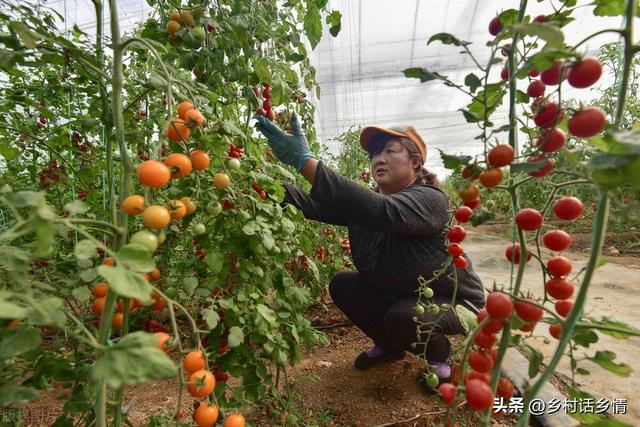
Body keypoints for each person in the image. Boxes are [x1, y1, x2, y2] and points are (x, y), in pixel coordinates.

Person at [254, 113, 485, 394]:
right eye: (375, 153)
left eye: (390, 151)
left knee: (403, 317)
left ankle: (440, 358)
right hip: (404, 291)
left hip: (453, 300)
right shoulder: (369, 205)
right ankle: (389, 345)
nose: (379, 159)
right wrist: (258, 183)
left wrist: (305, 160)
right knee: (344, 285)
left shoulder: (431, 200)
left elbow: (383, 213)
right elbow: (310, 204)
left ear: (414, 162)